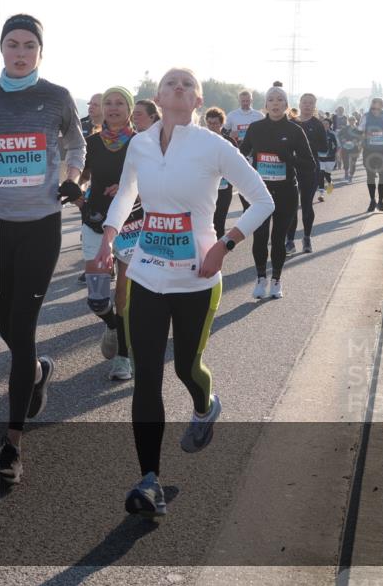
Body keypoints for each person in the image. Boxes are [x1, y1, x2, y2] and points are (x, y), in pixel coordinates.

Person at [95, 67, 273, 518]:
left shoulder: (214, 146)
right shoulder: (140, 143)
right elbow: (126, 192)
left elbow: (262, 199)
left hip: (197, 276)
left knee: (187, 369)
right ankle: (149, 480)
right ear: (157, 96)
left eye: (187, 84)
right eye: (170, 83)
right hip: (149, 274)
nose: (178, 87)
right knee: (147, 375)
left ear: (197, 101)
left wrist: (224, 245)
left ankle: (205, 405)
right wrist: (109, 232)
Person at [0, 13, 86, 484]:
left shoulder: (57, 98)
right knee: (8, 322)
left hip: (41, 224)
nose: (21, 52)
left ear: (40, 52)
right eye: (13, 44)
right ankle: (39, 372)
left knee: (21, 329)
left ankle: (12, 444)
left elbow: (77, 148)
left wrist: (70, 180)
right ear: (2, 49)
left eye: (29, 45)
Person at [79, 86, 140, 380]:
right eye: (108, 103)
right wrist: (76, 191)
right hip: (95, 221)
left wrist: (130, 191)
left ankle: (124, 358)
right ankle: (113, 326)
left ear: (129, 109)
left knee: (123, 296)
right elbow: (82, 176)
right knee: (98, 298)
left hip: (132, 225)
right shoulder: (90, 142)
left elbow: (155, 179)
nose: (113, 108)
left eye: (119, 103)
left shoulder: (143, 143)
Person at [240, 85, 316, 299]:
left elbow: (309, 164)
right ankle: (260, 278)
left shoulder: (295, 130)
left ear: (285, 105)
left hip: (286, 192)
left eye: (279, 99)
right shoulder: (255, 128)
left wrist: (289, 158)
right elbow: (239, 156)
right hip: (260, 193)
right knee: (260, 236)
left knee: (278, 236)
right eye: (271, 99)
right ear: (265, 105)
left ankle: (276, 281)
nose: (275, 103)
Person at [286, 93, 326, 253]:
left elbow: (324, 147)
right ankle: (289, 241)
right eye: (304, 102)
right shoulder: (291, 123)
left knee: (307, 205)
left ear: (314, 106)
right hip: (292, 168)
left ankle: (307, 238)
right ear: (300, 104)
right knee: (291, 206)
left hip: (310, 168)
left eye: (310, 103)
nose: (307, 105)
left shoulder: (317, 124)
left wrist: (306, 146)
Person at [204, 108, 233, 239]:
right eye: (209, 123)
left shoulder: (230, 142)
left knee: (220, 221)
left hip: (224, 188)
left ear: (221, 124)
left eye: (215, 123)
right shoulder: (201, 141)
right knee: (206, 222)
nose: (212, 126)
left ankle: (219, 252)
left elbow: (236, 165)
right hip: (206, 189)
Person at [362, 98, 383, 212]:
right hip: (369, 150)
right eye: (374, 107)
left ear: (382, 106)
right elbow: (360, 130)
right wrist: (366, 134)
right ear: (371, 106)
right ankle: (372, 200)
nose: (376, 109)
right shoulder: (366, 116)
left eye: (378, 107)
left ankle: (381, 201)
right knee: (370, 176)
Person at [339, 117, 364, 182]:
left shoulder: (358, 129)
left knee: (353, 162)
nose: (351, 121)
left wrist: (357, 140)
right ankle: (346, 174)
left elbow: (362, 137)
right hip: (346, 147)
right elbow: (339, 135)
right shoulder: (345, 128)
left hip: (355, 148)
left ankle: (351, 176)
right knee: (345, 161)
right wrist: (342, 139)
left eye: (353, 120)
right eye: (350, 120)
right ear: (348, 121)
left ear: (355, 121)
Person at [319, 118, 339, 194]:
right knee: (321, 174)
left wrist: (335, 153)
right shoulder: (318, 133)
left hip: (330, 158)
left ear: (330, 125)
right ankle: (322, 194)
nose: (324, 125)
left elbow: (337, 146)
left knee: (327, 175)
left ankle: (330, 183)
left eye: (326, 124)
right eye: (323, 124)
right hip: (320, 158)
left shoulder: (332, 134)